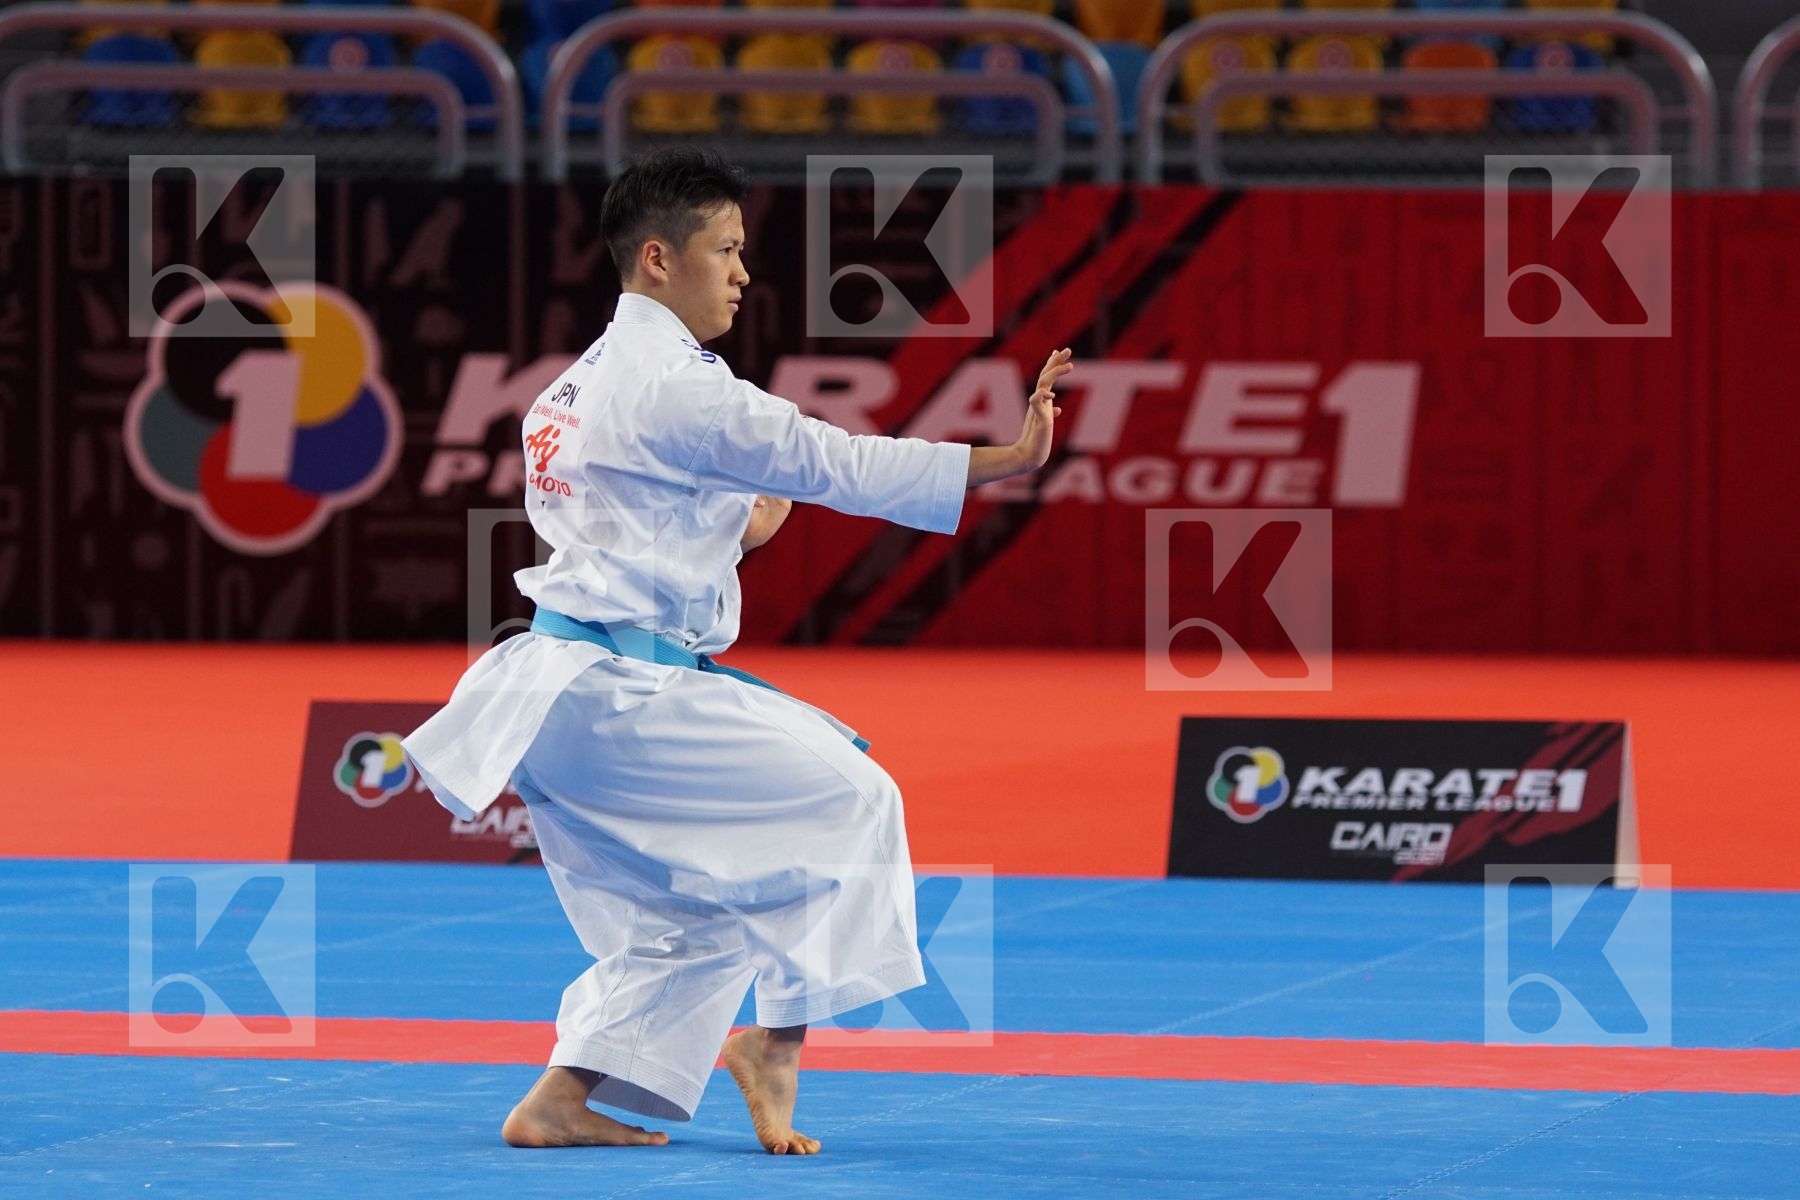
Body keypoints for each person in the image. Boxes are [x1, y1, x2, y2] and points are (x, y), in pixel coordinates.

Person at [403, 148, 1073, 1155]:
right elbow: (835, 461)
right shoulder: (683, 390)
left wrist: (738, 526)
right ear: (660, 260)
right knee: (855, 799)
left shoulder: (573, 389)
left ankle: (561, 1097)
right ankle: (776, 1044)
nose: (744, 272)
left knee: (696, 910)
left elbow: (642, 524)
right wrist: (1010, 459)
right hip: (622, 694)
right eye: (728, 250)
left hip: (562, 693)